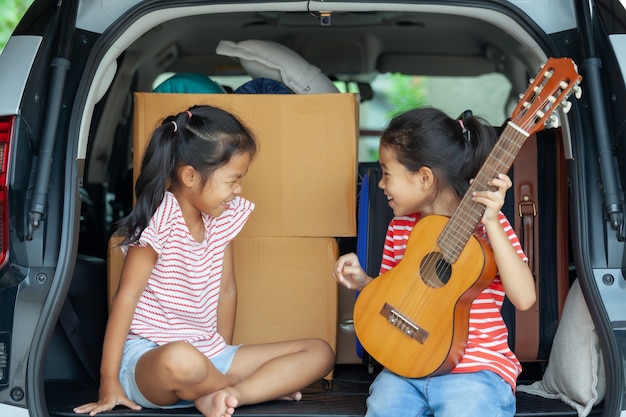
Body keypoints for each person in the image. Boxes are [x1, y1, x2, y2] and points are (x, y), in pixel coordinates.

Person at [74, 105, 335, 417]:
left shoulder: (220, 219)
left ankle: (225, 392)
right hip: (150, 359)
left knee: (319, 352)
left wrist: (220, 352)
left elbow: (226, 290)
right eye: (232, 180)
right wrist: (109, 382)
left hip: (208, 353)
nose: (237, 191)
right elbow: (125, 298)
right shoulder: (160, 220)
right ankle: (250, 388)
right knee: (181, 359)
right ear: (190, 176)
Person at [333, 107, 536, 417]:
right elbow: (397, 301)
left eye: (387, 173)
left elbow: (524, 299)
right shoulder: (400, 227)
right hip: (407, 368)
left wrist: (493, 223)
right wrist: (363, 282)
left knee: (465, 408)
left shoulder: (487, 228)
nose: (380, 184)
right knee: (383, 406)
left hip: (476, 370)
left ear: (425, 177)